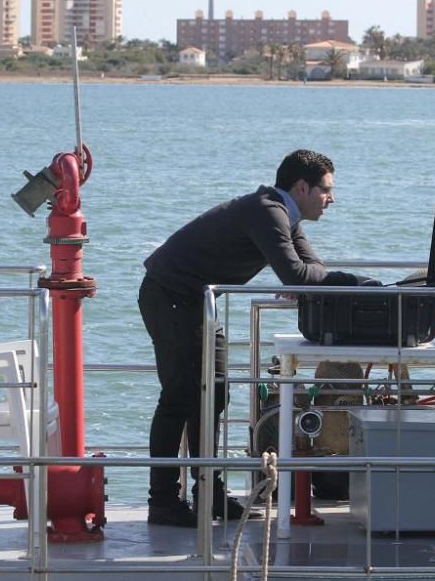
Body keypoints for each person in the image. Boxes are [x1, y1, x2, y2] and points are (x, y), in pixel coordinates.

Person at [139, 149, 371, 526]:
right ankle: (162, 501)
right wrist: (357, 282)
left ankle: (209, 493)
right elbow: (298, 277)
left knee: (213, 395)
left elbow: (313, 269)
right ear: (301, 187)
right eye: (326, 190)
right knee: (180, 395)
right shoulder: (267, 211)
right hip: (171, 296)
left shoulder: (285, 216)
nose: (332, 199)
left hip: (198, 303)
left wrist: (310, 279)